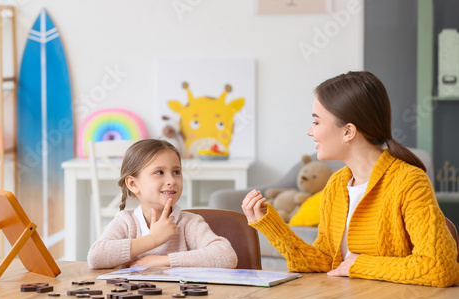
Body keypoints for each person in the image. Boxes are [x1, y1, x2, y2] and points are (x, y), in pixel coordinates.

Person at [242, 71, 459, 287]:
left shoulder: (409, 182)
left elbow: (440, 267)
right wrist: (270, 225)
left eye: (316, 122)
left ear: (348, 132)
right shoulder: (336, 185)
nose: (310, 131)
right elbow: (326, 261)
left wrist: (359, 265)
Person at [88, 139, 237, 269]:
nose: (171, 181)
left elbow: (227, 256)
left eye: (176, 172)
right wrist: (153, 239)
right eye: (159, 172)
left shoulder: (189, 223)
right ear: (133, 184)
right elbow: (96, 257)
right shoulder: (126, 222)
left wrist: (165, 261)